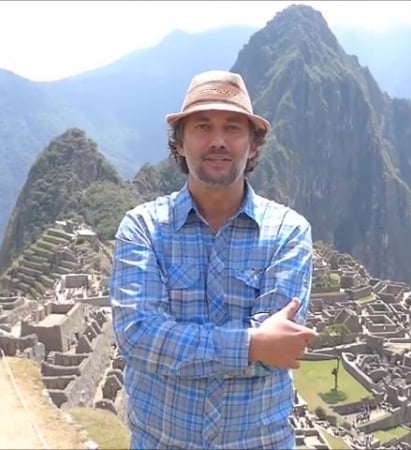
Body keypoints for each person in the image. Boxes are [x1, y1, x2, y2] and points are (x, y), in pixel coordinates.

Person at [110, 70, 317, 449]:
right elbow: (138, 336)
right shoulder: (143, 228)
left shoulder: (288, 232)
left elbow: (281, 350)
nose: (218, 141)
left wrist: (179, 344)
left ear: (253, 145)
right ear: (179, 144)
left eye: (233, 128)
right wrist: (252, 344)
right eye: (203, 126)